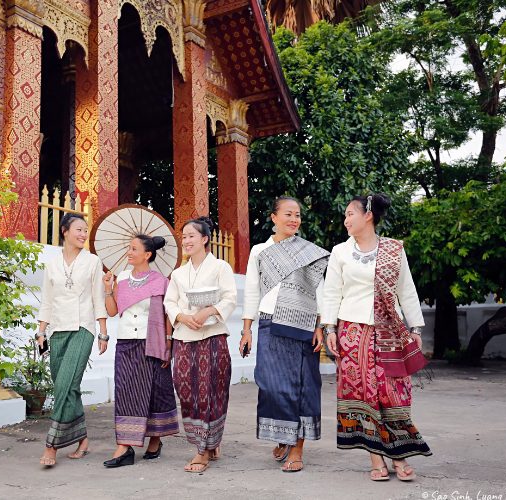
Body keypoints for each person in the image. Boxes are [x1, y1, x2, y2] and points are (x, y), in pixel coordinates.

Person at [322, 194, 432, 482]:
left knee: (394, 392)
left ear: (367, 215)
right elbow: (332, 292)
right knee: (362, 394)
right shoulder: (340, 252)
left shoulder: (394, 250)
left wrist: (415, 329)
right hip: (352, 332)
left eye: (349, 214)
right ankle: (375, 457)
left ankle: (401, 455)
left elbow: (406, 290)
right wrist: (329, 328)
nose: (345, 220)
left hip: (390, 332)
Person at [241, 196, 329, 472]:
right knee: (271, 385)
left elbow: (320, 290)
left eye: (298, 215)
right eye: (288, 214)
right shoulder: (259, 251)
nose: (294, 220)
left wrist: (320, 326)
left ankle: (298, 447)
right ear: (273, 217)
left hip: (303, 325)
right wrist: (246, 329)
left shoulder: (308, 252)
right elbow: (252, 290)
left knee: (302, 386)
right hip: (269, 322)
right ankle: (283, 435)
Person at [163, 216, 237, 473]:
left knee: (210, 391)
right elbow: (169, 302)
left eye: (191, 236)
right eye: (183, 237)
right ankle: (206, 441)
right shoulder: (178, 273)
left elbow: (230, 297)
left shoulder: (220, 267)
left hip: (213, 336)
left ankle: (203, 450)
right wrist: (182, 317)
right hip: (184, 336)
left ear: (205, 239)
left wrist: (208, 312)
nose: (186, 241)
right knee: (184, 389)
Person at [36, 213, 109, 467]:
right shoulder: (52, 264)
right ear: (65, 231)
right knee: (69, 388)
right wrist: (41, 331)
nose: (82, 234)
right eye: (78, 229)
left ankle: (51, 445)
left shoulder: (92, 262)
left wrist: (103, 331)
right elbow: (47, 299)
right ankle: (83, 440)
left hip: (83, 327)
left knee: (64, 385)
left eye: (85, 230)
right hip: (57, 330)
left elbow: (98, 298)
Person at [101, 235, 178, 468]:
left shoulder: (161, 281)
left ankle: (155, 439)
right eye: (129, 248)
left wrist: (167, 344)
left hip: (151, 342)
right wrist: (108, 289)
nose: (129, 252)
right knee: (126, 391)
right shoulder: (122, 278)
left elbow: (167, 316)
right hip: (126, 342)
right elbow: (113, 311)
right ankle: (125, 445)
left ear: (147, 255)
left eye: (134, 249)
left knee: (154, 390)